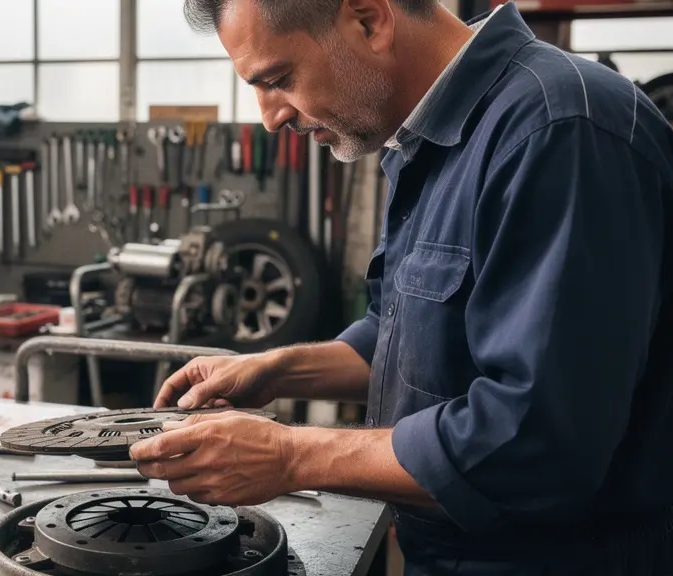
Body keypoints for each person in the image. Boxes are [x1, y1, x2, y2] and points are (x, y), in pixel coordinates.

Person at [127, 0, 673, 573]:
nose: (270, 117)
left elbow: (533, 444)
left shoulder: (558, 133)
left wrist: (289, 455)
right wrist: (278, 368)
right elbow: (404, 335)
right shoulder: (427, 139)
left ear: (369, 20)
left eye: (279, 80)